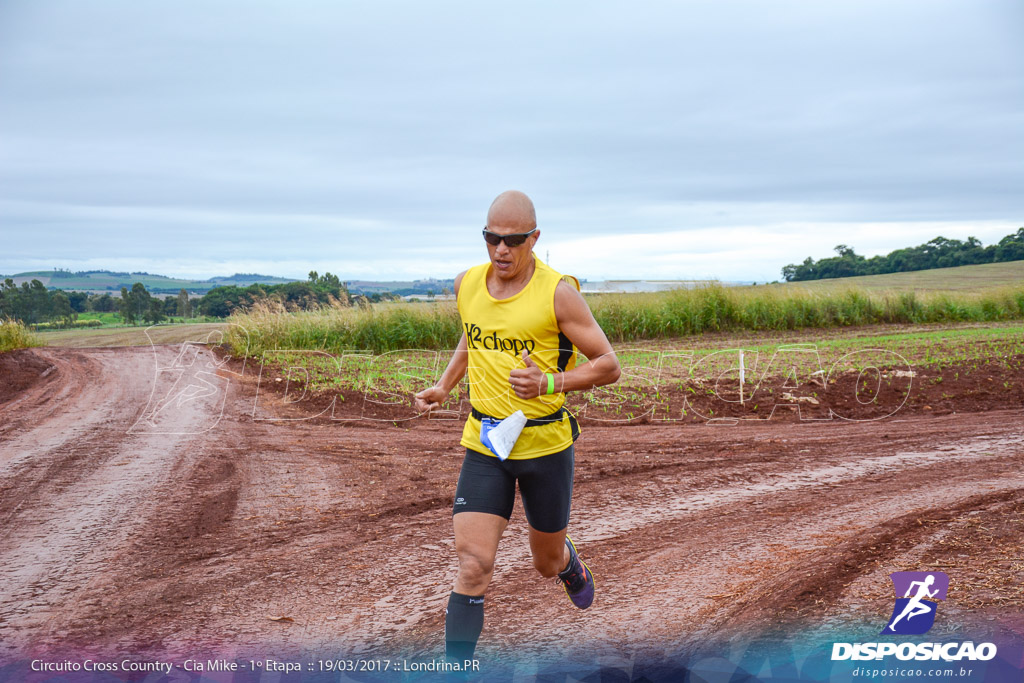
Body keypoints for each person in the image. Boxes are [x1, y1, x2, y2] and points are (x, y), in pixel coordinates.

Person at [414, 190, 621, 663]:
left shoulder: (557, 293)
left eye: (513, 240)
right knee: (473, 564)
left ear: (534, 238)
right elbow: (471, 337)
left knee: (544, 564)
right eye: (492, 239)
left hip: (545, 443)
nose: (501, 250)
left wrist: (551, 381)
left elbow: (609, 365)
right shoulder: (467, 283)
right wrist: (445, 386)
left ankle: (567, 562)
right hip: (485, 443)